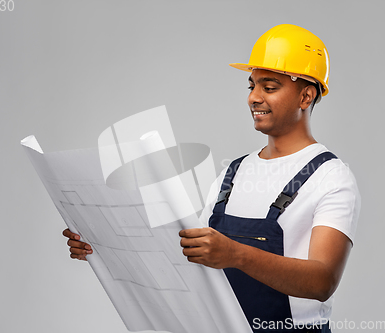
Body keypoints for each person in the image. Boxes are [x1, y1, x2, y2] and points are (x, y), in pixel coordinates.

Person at [63, 24, 360, 332]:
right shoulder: (232, 173)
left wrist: (236, 254)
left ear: (306, 96)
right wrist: (103, 248)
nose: (253, 98)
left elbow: (322, 281)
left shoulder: (331, 177)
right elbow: (191, 263)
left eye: (269, 87)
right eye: (251, 86)